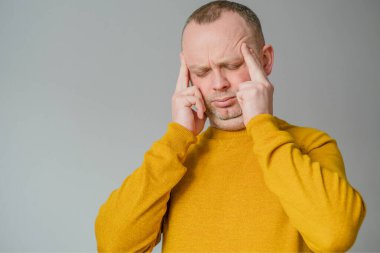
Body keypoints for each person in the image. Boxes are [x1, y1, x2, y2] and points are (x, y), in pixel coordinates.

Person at [95, 1, 366, 252]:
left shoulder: (310, 145)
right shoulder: (176, 156)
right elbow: (113, 244)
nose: (218, 84)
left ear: (266, 60)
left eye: (233, 65)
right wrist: (178, 136)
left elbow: (336, 235)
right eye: (201, 71)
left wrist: (262, 125)